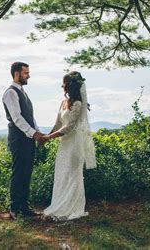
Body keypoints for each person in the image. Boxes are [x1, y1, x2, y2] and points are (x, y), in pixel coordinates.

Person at [41, 71, 96, 222]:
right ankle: (59, 203)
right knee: (62, 173)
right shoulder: (63, 102)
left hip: (74, 143)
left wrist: (49, 137)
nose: (62, 86)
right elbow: (58, 124)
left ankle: (72, 207)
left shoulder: (78, 105)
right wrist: (46, 137)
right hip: (64, 145)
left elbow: (68, 128)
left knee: (73, 175)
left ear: (70, 85)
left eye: (64, 84)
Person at [2, 62, 46, 220]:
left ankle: (24, 207)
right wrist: (34, 134)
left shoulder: (23, 93)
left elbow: (30, 117)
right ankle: (15, 208)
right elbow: (17, 118)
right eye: (26, 73)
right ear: (16, 74)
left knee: (27, 172)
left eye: (28, 72)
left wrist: (38, 132)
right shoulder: (10, 93)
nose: (29, 75)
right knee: (19, 172)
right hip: (18, 139)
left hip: (28, 138)